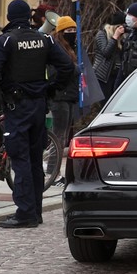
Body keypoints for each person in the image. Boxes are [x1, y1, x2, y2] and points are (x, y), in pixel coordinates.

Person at [0, 0, 74, 229]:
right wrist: (50, 89)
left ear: (9, 17)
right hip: (39, 106)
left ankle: (25, 213)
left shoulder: (6, 41)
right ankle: (35, 211)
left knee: (20, 158)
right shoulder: (44, 39)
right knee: (34, 159)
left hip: (17, 106)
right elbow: (68, 67)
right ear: (28, 17)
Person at [48, 15, 82, 171]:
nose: (72, 33)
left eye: (74, 30)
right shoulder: (57, 49)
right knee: (59, 135)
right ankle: (52, 169)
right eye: (68, 30)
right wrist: (74, 69)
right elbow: (57, 72)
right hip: (60, 96)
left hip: (69, 96)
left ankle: (54, 170)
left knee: (64, 135)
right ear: (61, 32)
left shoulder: (70, 48)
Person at [92, 11, 125, 100]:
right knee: (106, 102)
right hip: (103, 76)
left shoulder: (122, 38)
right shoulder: (101, 34)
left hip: (116, 75)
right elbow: (106, 52)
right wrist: (115, 37)